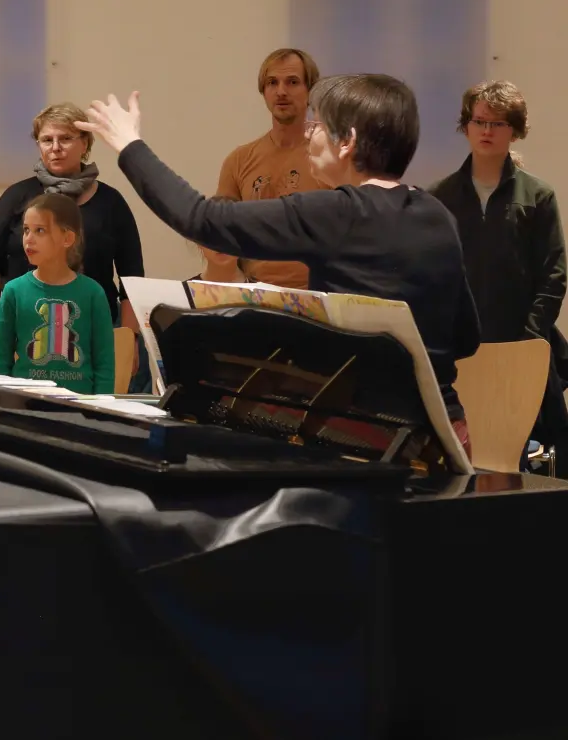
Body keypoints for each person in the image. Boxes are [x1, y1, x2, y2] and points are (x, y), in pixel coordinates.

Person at [79, 76, 481, 454]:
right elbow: (465, 336)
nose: (309, 134)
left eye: (318, 126)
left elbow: (203, 220)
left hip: (363, 440)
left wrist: (129, 144)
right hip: (442, 437)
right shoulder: (437, 213)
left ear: (348, 142)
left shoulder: (337, 213)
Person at [429, 81, 568, 462]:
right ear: (466, 126)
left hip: (518, 350)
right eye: (478, 121)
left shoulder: (537, 196)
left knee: (513, 460)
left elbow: (553, 276)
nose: (487, 131)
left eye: (498, 123)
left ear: (515, 130)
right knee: (461, 459)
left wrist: (526, 342)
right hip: (459, 356)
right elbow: (433, 276)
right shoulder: (440, 197)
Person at [0, 103, 144, 373]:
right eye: (47, 140)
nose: (55, 147)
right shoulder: (16, 198)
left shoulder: (111, 203)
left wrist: (128, 339)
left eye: (65, 138)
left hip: (94, 333)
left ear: (85, 143)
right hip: (22, 331)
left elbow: (132, 277)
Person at [215, 48, 327, 288]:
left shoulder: (332, 157)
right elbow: (220, 236)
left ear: (311, 91)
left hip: (316, 298)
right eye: (272, 83)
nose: (281, 92)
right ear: (263, 91)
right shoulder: (239, 159)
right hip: (254, 296)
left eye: (293, 82)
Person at [0, 194, 115, 393]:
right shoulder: (13, 291)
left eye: (40, 230)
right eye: (26, 230)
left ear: (67, 238)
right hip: (26, 407)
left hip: (79, 409)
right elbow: (0, 361)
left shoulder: (93, 293)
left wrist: (101, 412)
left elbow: (104, 364)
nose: (28, 239)